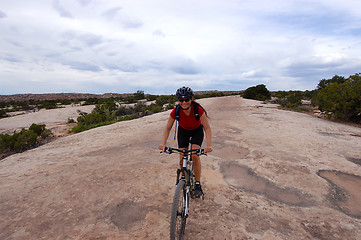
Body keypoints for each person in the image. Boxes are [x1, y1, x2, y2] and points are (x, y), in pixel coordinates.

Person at [158, 86, 212, 198]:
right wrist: (163, 144)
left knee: (195, 155)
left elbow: (207, 128)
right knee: (182, 157)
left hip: (197, 132)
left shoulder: (198, 110)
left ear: (191, 99)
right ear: (178, 100)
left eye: (187, 100)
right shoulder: (176, 111)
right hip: (183, 132)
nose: (184, 102)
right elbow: (167, 128)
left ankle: (197, 184)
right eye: (181, 100)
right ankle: (184, 180)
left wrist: (208, 145)